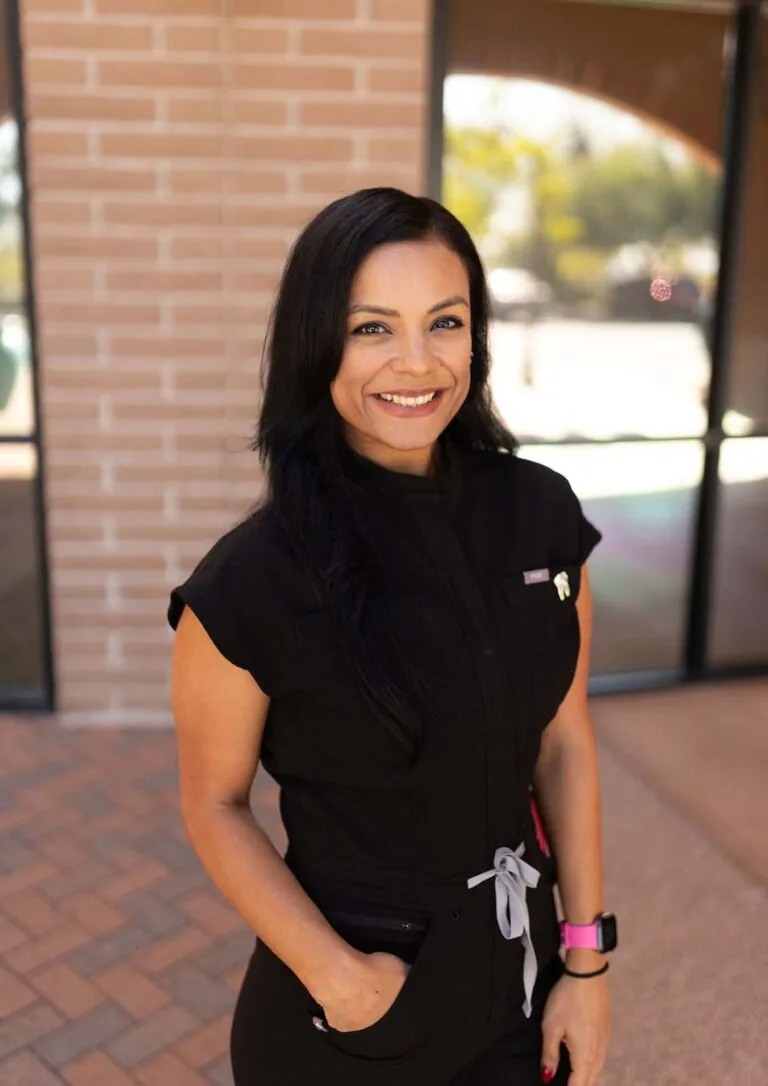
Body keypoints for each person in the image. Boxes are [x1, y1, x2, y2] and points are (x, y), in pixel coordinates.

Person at [168, 187, 615, 1086]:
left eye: (444, 322)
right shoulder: (251, 582)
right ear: (316, 343)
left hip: (518, 984)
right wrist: (337, 977)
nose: (417, 362)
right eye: (373, 328)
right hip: (353, 1009)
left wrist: (585, 962)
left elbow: (563, 743)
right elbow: (213, 804)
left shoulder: (540, 515)